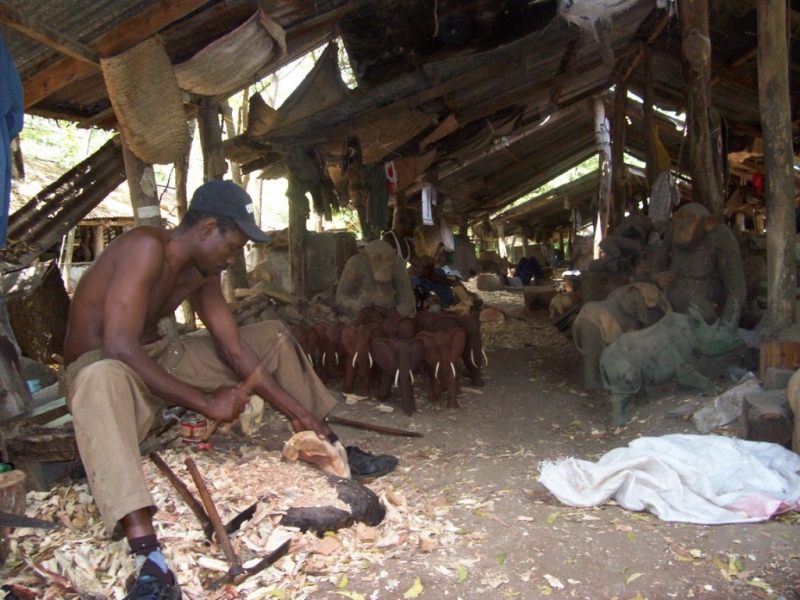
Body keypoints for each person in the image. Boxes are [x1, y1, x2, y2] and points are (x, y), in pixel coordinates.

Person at [63, 180, 397, 600]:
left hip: (156, 354)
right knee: (102, 377)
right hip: (102, 368)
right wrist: (206, 402)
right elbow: (118, 347)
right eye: (233, 245)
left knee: (271, 334)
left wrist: (296, 412)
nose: (233, 256)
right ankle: (150, 561)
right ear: (207, 229)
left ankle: (331, 444)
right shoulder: (144, 248)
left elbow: (234, 349)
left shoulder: (201, 273)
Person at [382, 211, 457, 308]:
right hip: (392, 284)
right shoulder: (388, 238)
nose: (414, 228)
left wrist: (449, 281)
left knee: (439, 272)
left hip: (404, 280)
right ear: (401, 223)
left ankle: (448, 305)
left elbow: (420, 267)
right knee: (415, 283)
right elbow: (388, 269)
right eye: (412, 224)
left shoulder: (407, 243)